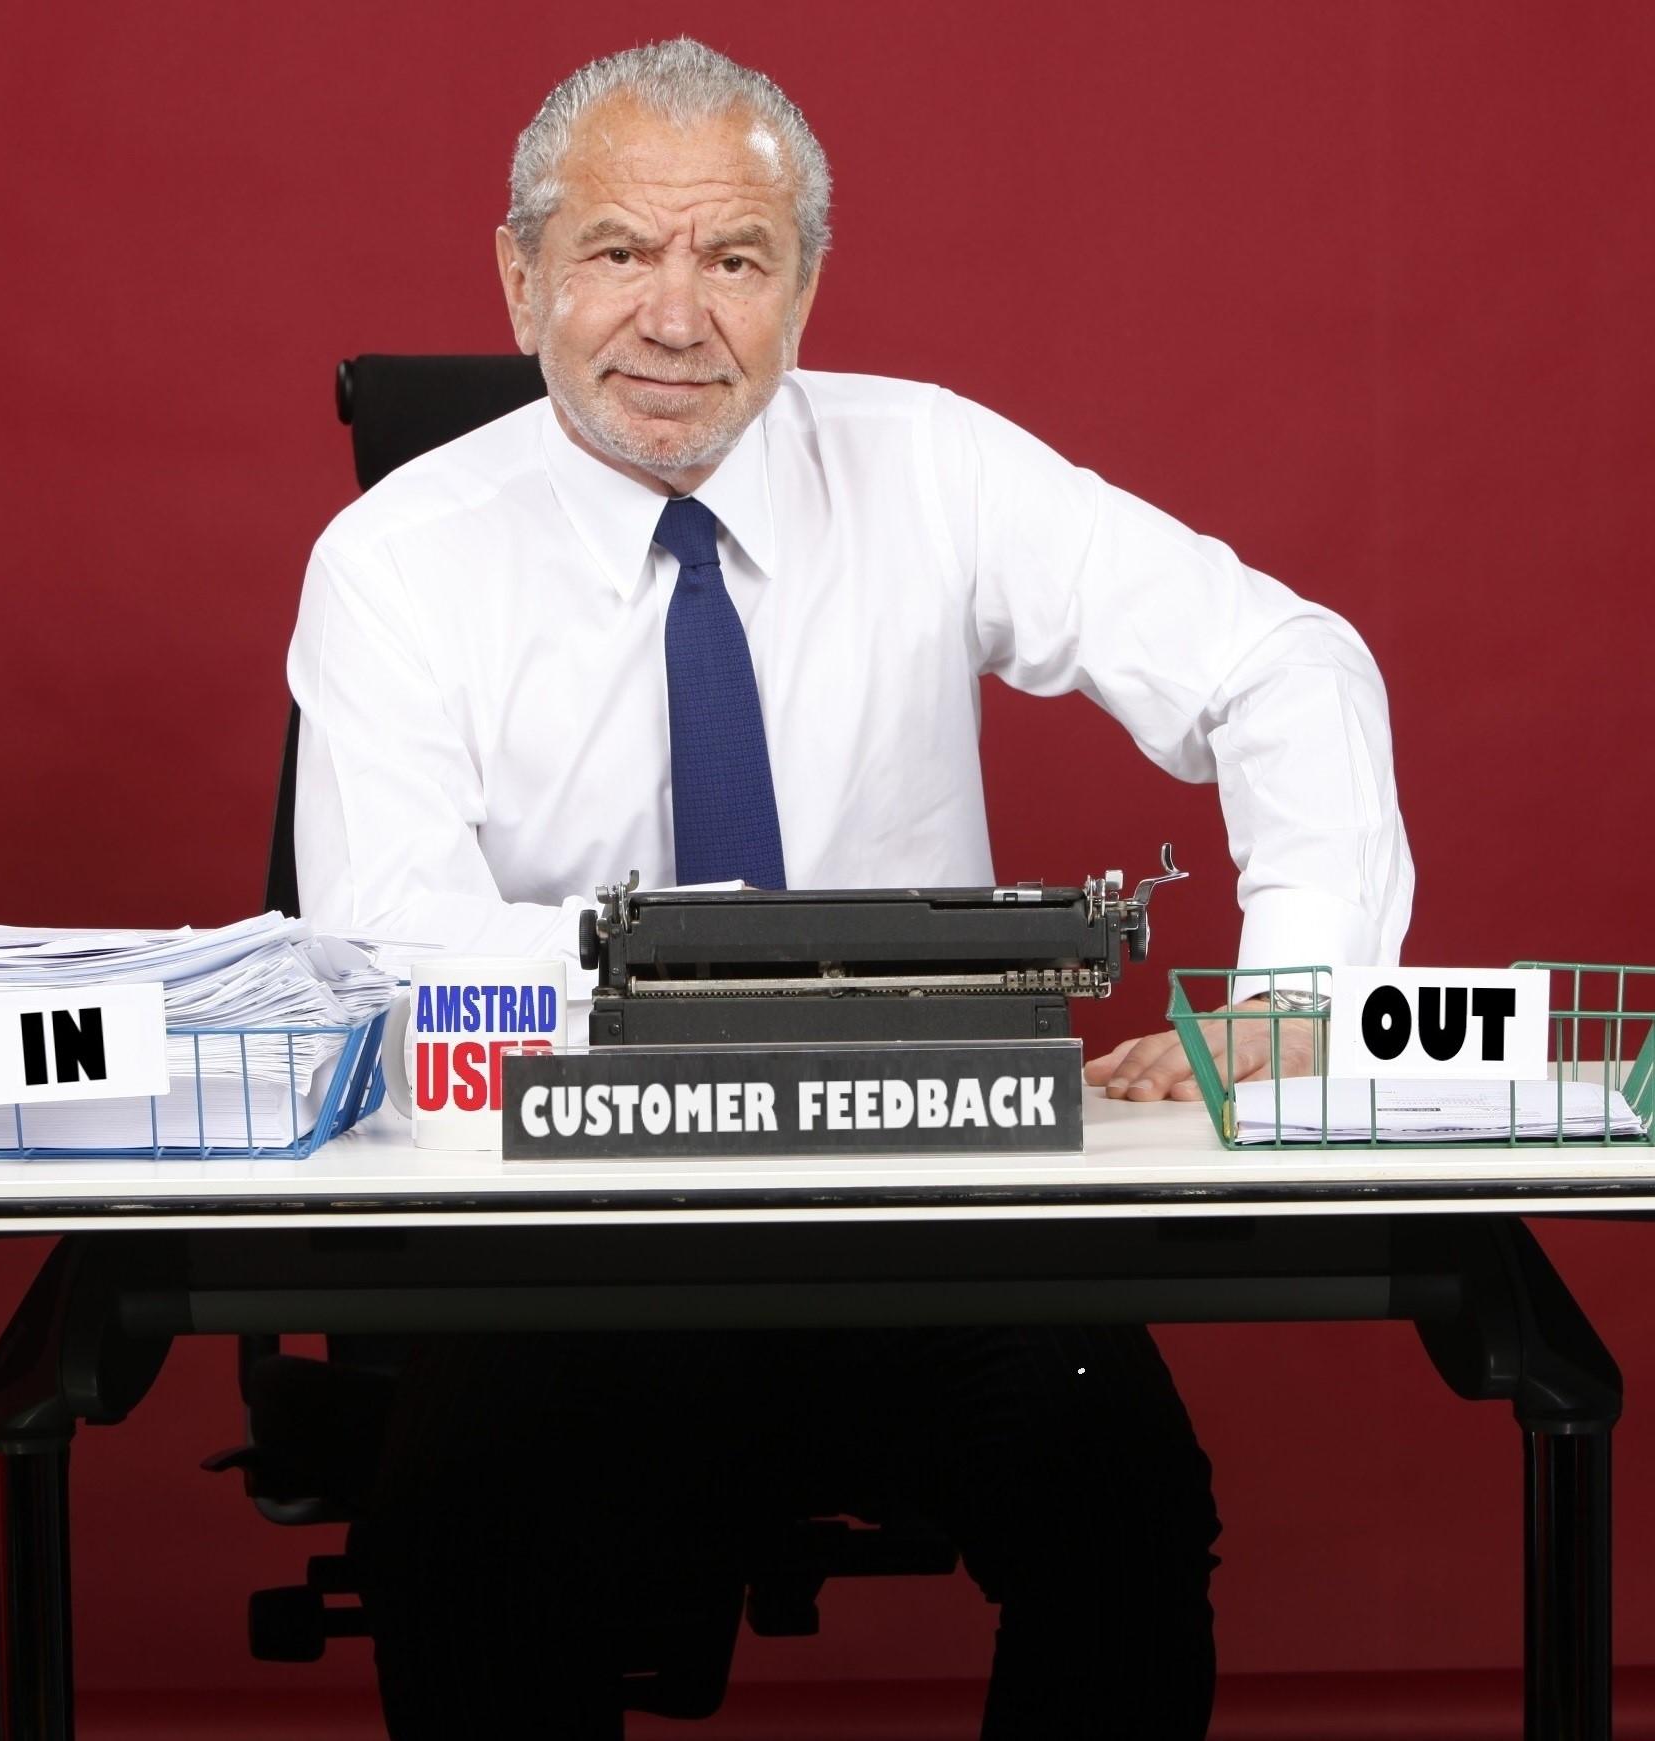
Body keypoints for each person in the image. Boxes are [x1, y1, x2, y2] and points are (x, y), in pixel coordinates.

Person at [288, 36, 1412, 1740]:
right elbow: (389, 947)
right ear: (520, 277)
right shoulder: (397, 562)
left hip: (923, 1208)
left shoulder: (931, 468)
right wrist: (751, 986)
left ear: (804, 290)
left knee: (1121, 1502)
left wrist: (1299, 991)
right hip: (568, 1231)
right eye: (617, 251)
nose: (677, 316)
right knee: (455, 1543)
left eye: (736, 260)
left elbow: (1282, 663)